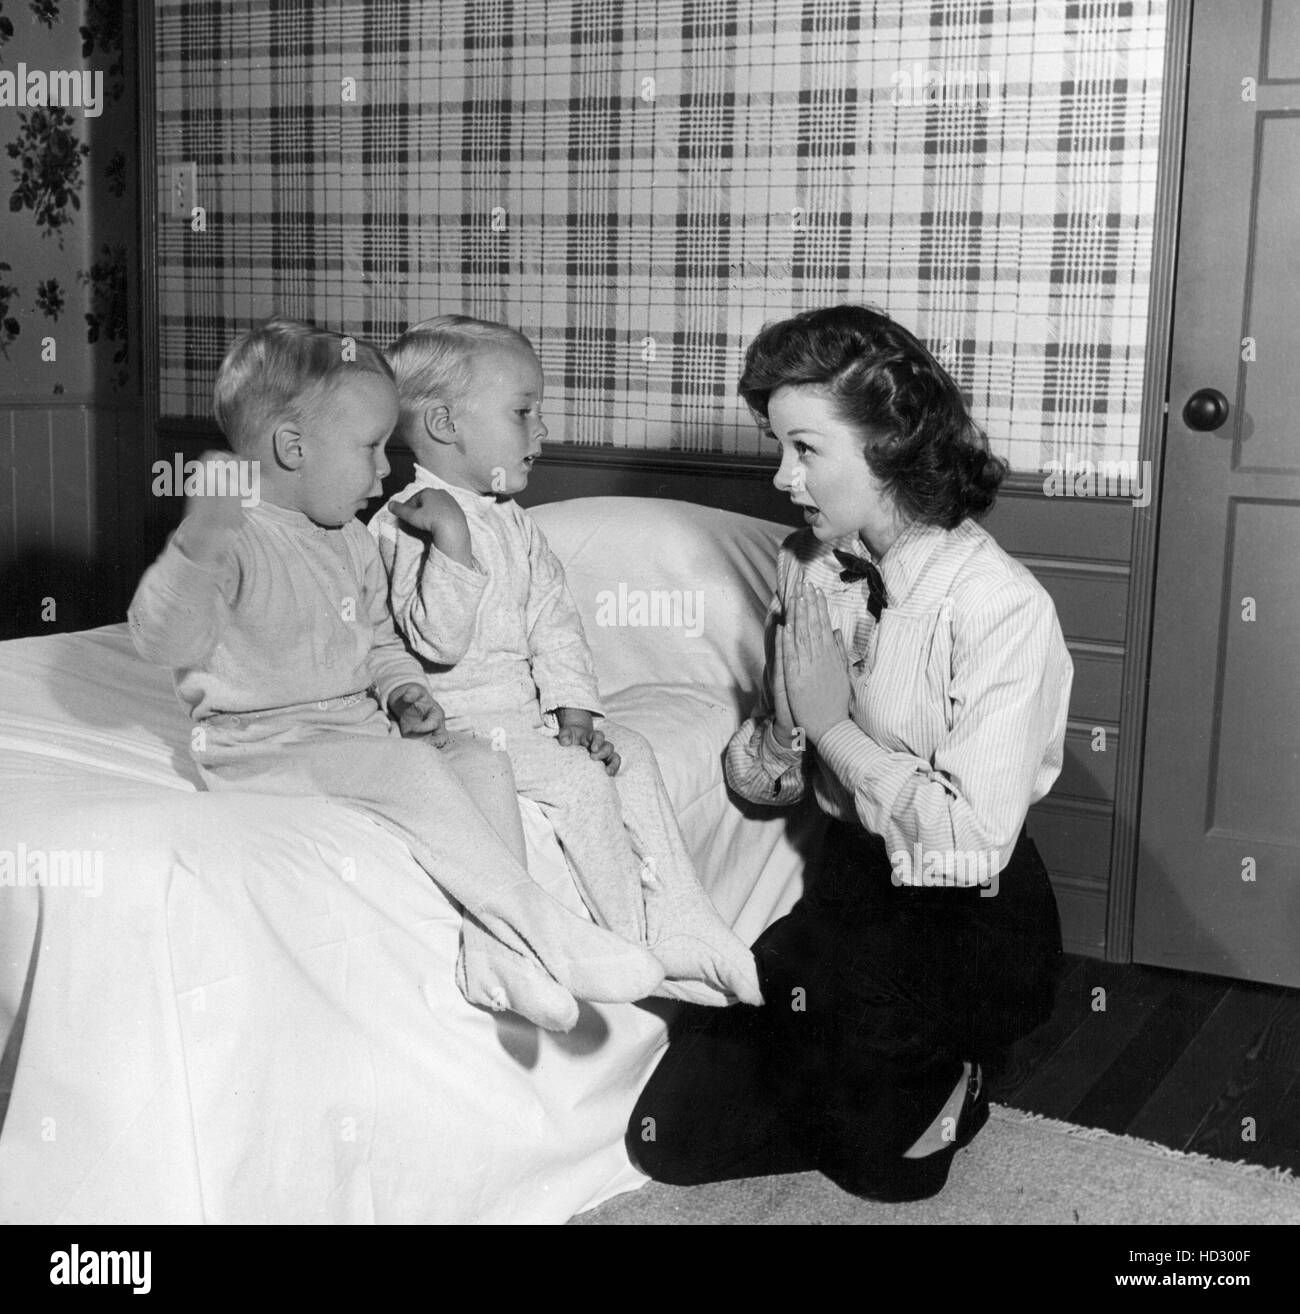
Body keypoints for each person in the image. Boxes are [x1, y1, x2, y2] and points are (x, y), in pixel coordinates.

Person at [626, 304, 1072, 1200]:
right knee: (669, 1140)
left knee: (884, 1178)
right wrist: (790, 734)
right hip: (849, 891)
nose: (783, 477)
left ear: (892, 446)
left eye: (805, 448)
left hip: (966, 919)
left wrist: (835, 730)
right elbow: (765, 786)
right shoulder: (809, 566)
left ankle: (963, 1072)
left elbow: (970, 844)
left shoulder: (999, 606)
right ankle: (853, 1085)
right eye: (776, 445)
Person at [128, 316, 665, 1033]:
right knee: (414, 777)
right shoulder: (236, 536)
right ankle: (548, 930)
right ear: (293, 448)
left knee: (480, 760)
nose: (386, 471)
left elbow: (378, 640)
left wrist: (401, 687)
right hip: (259, 745)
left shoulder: (349, 539)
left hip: (356, 727)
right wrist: (196, 545)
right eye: (371, 448)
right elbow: (162, 636)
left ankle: (493, 951)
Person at [370, 314, 762, 1028]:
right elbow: (437, 640)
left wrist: (576, 710)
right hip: (458, 724)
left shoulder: (515, 522)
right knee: (581, 781)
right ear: (444, 424)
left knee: (632, 755)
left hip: (520, 718)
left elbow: (556, 624)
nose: (541, 431)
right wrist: (451, 542)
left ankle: (681, 914)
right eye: (523, 412)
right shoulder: (407, 521)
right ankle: (625, 942)